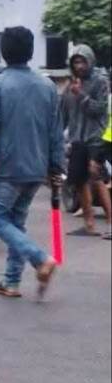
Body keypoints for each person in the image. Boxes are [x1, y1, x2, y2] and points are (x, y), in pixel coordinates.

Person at [0, 26, 63, 299]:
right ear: (31, 51)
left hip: (7, 167)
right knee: (15, 221)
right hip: (36, 168)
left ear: (3, 51)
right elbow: (55, 131)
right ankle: (11, 282)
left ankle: (40, 259)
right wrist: (55, 167)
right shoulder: (47, 86)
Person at [61, 44, 112, 239]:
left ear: (90, 61)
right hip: (77, 140)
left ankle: (110, 222)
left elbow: (98, 109)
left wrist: (80, 95)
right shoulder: (71, 84)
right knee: (79, 181)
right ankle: (89, 223)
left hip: (95, 138)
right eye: (76, 62)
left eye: (83, 61)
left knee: (97, 178)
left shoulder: (100, 82)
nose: (80, 66)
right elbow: (63, 113)